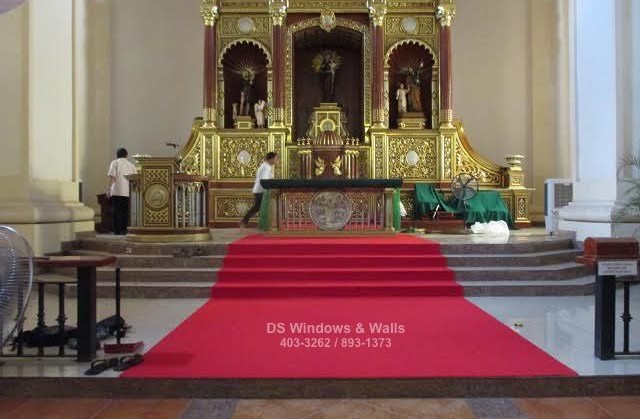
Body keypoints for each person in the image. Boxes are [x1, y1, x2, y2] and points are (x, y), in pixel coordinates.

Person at [240, 152, 278, 229]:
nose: (276, 161)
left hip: (260, 190)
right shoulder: (265, 167)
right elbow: (264, 180)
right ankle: (245, 221)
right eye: (276, 159)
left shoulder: (266, 166)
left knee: (258, 207)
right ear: (271, 159)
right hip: (261, 191)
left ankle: (245, 221)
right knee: (260, 207)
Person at [107, 148, 137, 235]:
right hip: (127, 192)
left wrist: (108, 189)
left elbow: (112, 176)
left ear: (117, 155)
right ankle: (124, 230)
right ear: (126, 155)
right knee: (125, 211)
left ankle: (117, 231)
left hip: (117, 191)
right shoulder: (131, 165)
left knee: (116, 211)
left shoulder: (115, 162)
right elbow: (134, 180)